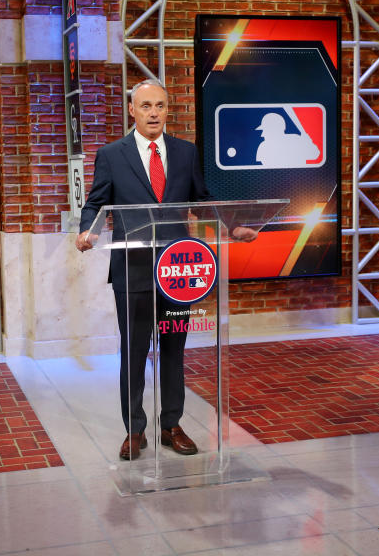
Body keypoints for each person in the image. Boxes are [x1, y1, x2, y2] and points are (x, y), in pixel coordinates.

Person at [75, 78, 255, 461]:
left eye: (159, 105)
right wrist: (86, 230)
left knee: (174, 352)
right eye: (145, 106)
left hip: (178, 270)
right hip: (133, 270)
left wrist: (232, 226)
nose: (153, 112)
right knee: (134, 353)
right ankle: (134, 430)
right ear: (132, 110)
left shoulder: (185, 153)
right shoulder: (111, 155)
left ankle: (172, 424)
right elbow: (96, 202)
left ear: (167, 109)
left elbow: (202, 200)